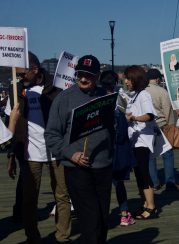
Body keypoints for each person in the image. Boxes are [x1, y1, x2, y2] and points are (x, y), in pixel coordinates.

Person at [45, 55, 115, 243]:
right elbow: (51, 135)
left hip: (104, 167)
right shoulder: (64, 99)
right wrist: (71, 154)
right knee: (90, 221)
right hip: (77, 169)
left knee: (102, 219)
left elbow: (112, 129)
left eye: (89, 75)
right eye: (80, 74)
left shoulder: (106, 96)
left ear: (98, 76)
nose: (83, 79)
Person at [5, 51, 71, 243]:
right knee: (29, 198)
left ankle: (62, 236)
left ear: (34, 69)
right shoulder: (16, 90)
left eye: (22, 73)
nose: (19, 78)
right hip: (30, 151)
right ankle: (32, 236)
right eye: (16, 75)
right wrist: (11, 154)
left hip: (56, 150)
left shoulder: (55, 87)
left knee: (62, 195)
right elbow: (13, 123)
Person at [100, 70, 136, 227]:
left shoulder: (96, 99)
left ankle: (102, 216)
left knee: (101, 185)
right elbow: (124, 122)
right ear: (115, 83)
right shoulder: (120, 98)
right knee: (118, 183)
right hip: (117, 148)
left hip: (100, 149)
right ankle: (124, 214)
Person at [124, 65, 158, 219]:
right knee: (138, 173)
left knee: (144, 173)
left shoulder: (143, 95)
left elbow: (150, 115)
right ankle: (145, 203)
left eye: (128, 78)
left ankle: (151, 206)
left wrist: (134, 118)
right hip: (135, 140)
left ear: (135, 79)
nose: (125, 82)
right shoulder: (134, 95)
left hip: (143, 140)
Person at [145, 68, 178, 191]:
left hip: (147, 126)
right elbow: (167, 111)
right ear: (158, 79)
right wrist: (171, 126)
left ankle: (154, 182)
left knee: (150, 156)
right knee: (167, 154)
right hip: (162, 125)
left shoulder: (142, 91)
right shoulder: (162, 91)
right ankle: (169, 181)